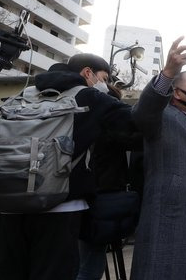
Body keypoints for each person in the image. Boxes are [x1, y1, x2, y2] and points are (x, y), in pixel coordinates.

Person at [0, 54, 134, 280]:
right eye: (104, 77)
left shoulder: (22, 96)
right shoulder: (91, 98)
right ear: (87, 73)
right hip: (61, 208)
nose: (106, 83)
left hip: (8, 206)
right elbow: (138, 123)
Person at [130, 37, 186, 280]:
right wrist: (169, 72)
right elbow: (143, 112)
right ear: (178, 93)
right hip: (166, 224)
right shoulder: (160, 116)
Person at [77, 84, 142, 280]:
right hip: (102, 196)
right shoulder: (106, 120)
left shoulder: (78, 115)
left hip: (76, 196)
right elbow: (135, 139)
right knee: (90, 263)